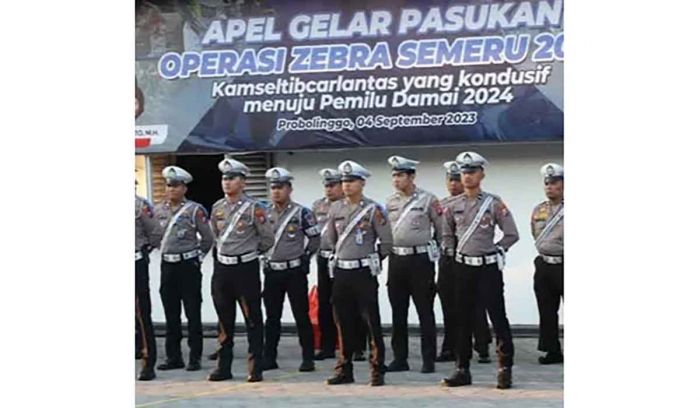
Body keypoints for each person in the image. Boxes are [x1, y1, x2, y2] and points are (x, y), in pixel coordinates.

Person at [441, 152, 519, 389]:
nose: (467, 177)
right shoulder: (453, 205)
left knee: (497, 317)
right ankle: (462, 369)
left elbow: (511, 234)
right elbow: (447, 235)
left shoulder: (494, 203)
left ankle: (505, 368)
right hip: (463, 268)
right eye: (464, 172)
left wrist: (497, 250)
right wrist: (451, 255)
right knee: (462, 319)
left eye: (472, 172)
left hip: (487, 268)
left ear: (481, 174)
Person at [325, 160, 393, 387]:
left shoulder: (374, 209)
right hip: (342, 271)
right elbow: (332, 240)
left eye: (351, 181)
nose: (346, 185)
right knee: (342, 321)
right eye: (344, 181)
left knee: (371, 320)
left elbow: (386, 241)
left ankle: (377, 368)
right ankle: (344, 368)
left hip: (363, 271)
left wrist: (373, 260)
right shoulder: (335, 208)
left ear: (362, 183)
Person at [207, 155, 274, 382]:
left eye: (232, 178)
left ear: (243, 182)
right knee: (224, 320)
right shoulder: (217, 207)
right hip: (223, 268)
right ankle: (223, 367)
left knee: (253, 319)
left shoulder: (254, 208)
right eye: (224, 178)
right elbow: (215, 236)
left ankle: (255, 367)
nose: (227, 182)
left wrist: (250, 252)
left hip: (245, 267)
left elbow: (267, 238)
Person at [383, 156, 442, 374]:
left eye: (400, 175)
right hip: (397, 260)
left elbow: (442, 229)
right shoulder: (390, 202)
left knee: (424, 310)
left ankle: (428, 359)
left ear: (411, 176)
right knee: (398, 311)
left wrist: (433, 251)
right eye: (394, 175)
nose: (396, 180)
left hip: (420, 261)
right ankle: (400, 358)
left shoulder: (428, 200)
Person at [153, 166, 214, 372]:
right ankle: (173, 357)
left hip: (187, 265)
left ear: (184, 188)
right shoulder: (158, 210)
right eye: (169, 185)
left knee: (192, 311)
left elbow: (207, 238)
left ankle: (194, 357)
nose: (171, 189)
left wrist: (198, 257)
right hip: (167, 265)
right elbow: (154, 234)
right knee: (171, 313)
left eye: (176, 186)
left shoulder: (195, 210)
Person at [261, 167, 321, 373]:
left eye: (280, 187)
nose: (276, 191)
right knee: (271, 317)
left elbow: (315, 238)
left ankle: (307, 358)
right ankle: (269, 357)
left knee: (301, 315)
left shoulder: (302, 213)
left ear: (289, 189)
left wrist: (306, 257)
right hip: (272, 271)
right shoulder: (263, 212)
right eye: (273, 187)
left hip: (294, 271)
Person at [436, 161, 492, 364]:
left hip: (470, 259)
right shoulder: (441, 205)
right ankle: (450, 346)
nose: (453, 184)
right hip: (447, 260)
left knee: (476, 304)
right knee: (449, 304)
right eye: (449, 180)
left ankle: (482, 345)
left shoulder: (475, 203)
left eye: (456, 179)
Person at [531, 163, 564, 365]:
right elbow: (534, 231)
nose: (549, 186)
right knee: (546, 309)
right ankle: (552, 350)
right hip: (544, 265)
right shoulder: (539, 209)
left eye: (554, 182)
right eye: (547, 183)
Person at [311, 169, 344, 361]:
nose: (329, 189)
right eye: (326, 185)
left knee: (345, 303)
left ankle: (355, 346)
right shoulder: (318, 206)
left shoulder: (347, 206)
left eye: (332, 185)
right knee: (324, 302)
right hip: (324, 258)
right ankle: (327, 346)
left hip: (342, 258)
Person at [135, 189, 160, 381]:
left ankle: (147, 361)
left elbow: (155, 232)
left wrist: (144, 252)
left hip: (134, 261)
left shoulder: (140, 205)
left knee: (142, 312)